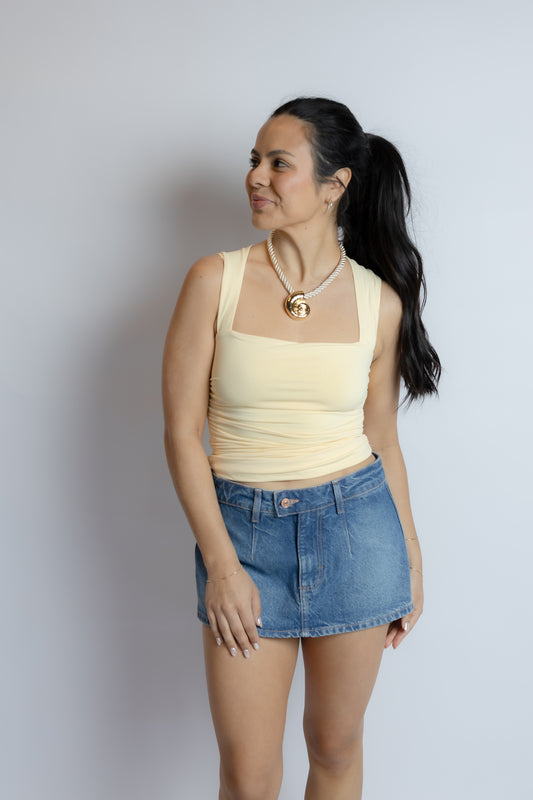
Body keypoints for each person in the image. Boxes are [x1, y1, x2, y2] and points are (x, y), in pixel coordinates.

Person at [162, 96, 441, 800]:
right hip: (244, 537)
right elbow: (179, 434)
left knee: (336, 749)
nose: (256, 175)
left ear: (334, 185)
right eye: (253, 160)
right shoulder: (212, 281)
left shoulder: (379, 302)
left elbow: (381, 437)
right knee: (249, 778)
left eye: (277, 163)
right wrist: (222, 565)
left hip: (357, 533)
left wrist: (408, 552)